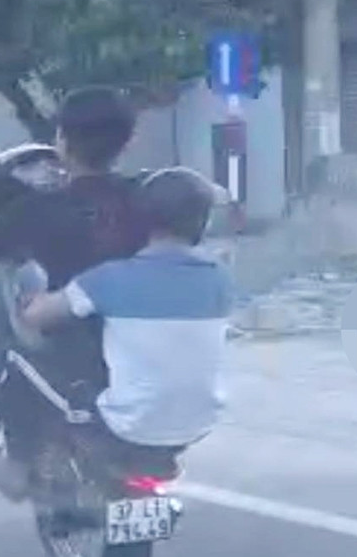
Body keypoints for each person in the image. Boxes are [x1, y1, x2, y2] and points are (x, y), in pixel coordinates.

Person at [0, 86, 149, 498]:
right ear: (127, 142)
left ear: (62, 141)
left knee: (4, 267)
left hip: (64, 333)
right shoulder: (145, 198)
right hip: (134, 336)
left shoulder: (41, 209)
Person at [15, 167, 234, 458]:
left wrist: (30, 295)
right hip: (200, 425)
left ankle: (30, 461)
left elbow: (36, 317)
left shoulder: (110, 278)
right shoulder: (220, 278)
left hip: (128, 426)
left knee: (33, 370)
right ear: (203, 223)